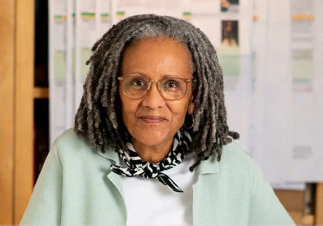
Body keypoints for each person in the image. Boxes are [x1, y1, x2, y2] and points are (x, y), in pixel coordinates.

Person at [20, 14, 295, 225]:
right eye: (137, 83)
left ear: (194, 98)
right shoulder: (71, 155)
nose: (153, 102)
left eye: (172, 85)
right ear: (114, 92)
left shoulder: (231, 164)